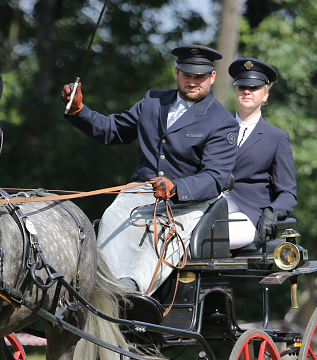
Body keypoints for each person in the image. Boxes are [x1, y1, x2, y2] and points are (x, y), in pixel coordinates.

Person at [60, 45, 239, 294]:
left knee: (164, 237)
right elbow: (113, 130)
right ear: (177, 73)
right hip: (140, 191)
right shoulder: (153, 101)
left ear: (212, 77)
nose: (193, 82)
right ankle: (97, 286)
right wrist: (80, 111)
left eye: (200, 77)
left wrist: (177, 188)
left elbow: (215, 177)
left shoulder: (222, 122)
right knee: (112, 216)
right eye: (187, 75)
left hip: (187, 202)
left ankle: (132, 290)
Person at [224, 58, 297, 248]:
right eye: (242, 87)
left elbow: (288, 192)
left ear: (265, 95)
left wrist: (273, 211)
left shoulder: (277, 138)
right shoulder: (217, 129)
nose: (247, 91)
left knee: (213, 238)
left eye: (254, 87)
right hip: (211, 207)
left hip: (249, 214)